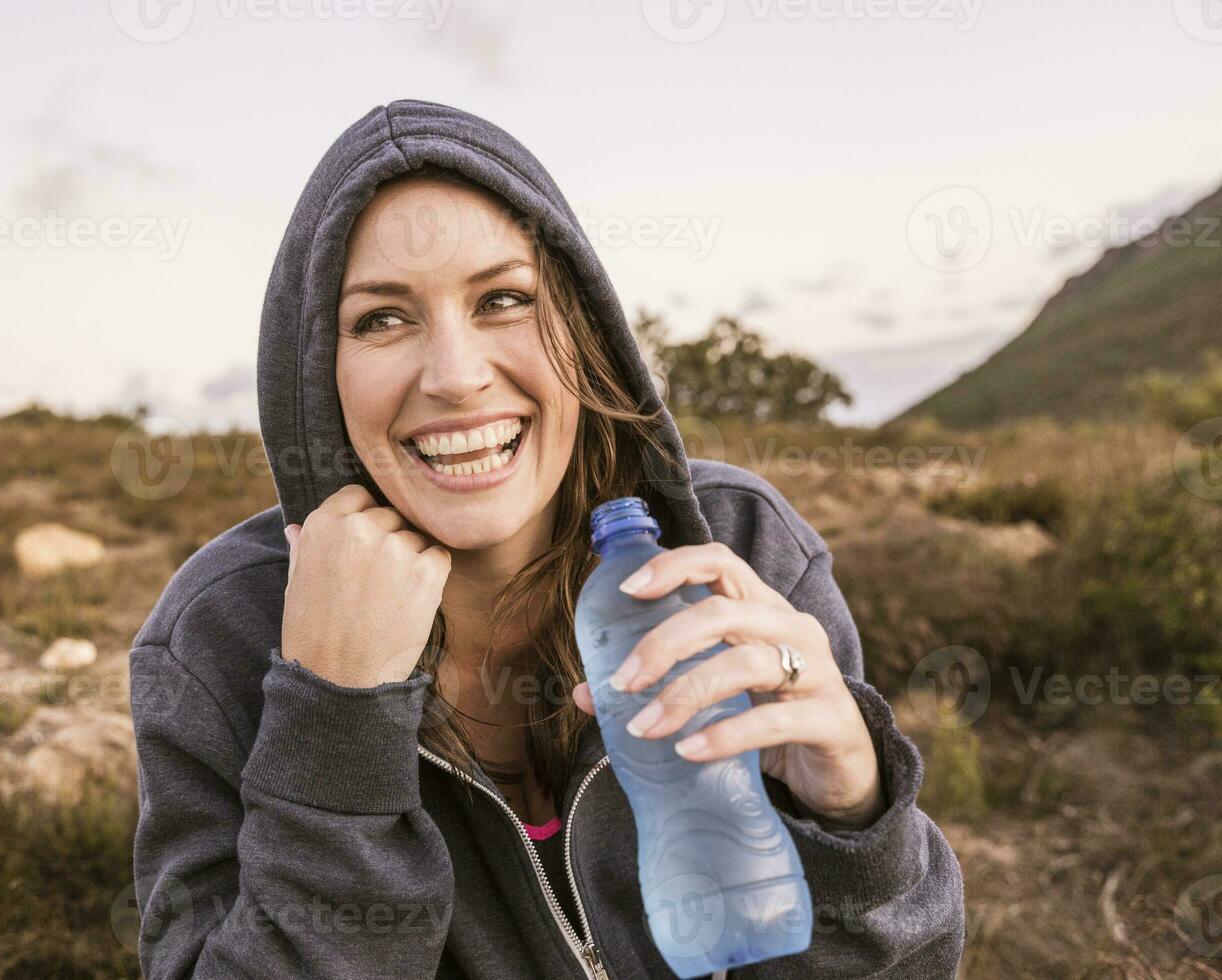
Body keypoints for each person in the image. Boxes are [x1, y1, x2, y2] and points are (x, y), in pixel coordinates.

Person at [128, 99, 964, 979]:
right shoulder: (217, 638)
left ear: (581, 322)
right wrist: (332, 724)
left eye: (504, 299)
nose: (455, 376)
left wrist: (855, 823)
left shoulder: (739, 548)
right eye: (380, 318)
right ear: (312, 369)